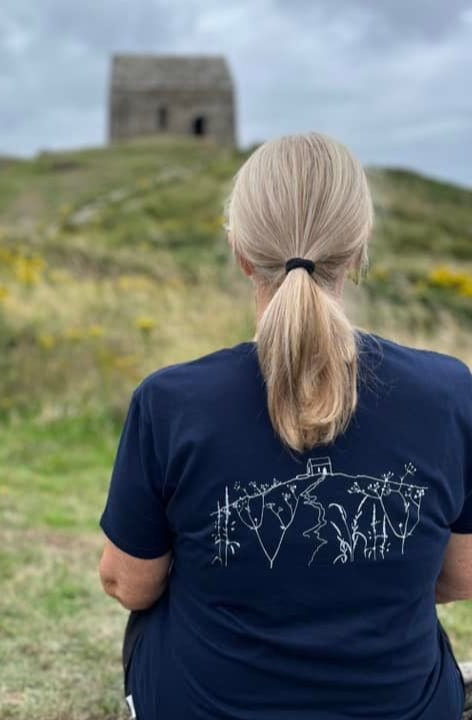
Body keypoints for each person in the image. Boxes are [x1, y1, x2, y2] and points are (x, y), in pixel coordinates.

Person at [97, 132, 472, 720]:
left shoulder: (170, 402)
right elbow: (459, 577)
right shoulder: (450, 392)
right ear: (359, 249)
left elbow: (128, 585)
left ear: (241, 252)